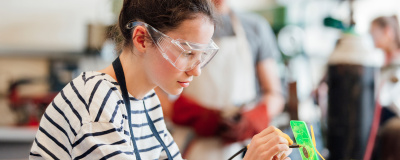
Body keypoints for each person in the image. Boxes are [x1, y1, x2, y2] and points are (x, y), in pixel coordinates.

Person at [29, 0, 292, 159]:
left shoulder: (146, 101)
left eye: (201, 56)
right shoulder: (96, 101)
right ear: (142, 39)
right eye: (187, 52)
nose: (196, 70)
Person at [155, 0, 285, 159]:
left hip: (246, 147)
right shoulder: (178, 25)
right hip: (193, 144)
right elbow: (154, 92)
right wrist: (189, 115)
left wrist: (255, 117)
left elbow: (275, 93)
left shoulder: (255, 27)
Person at [370, 15, 400, 160]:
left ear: (388, 31)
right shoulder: (380, 65)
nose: (371, 36)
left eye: (374, 31)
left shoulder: (396, 66)